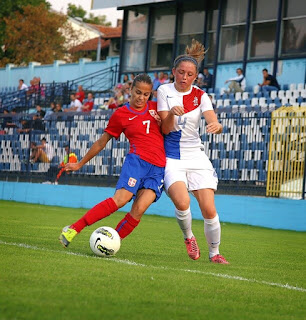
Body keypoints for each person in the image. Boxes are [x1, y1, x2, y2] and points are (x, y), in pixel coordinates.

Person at [59, 74, 166, 248]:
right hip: (137, 162)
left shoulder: (158, 108)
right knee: (120, 200)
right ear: (130, 90)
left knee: (139, 210)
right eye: (138, 92)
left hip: (158, 168)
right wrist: (80, 163)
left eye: (146, 94)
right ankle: (74, 228)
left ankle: (110, 243)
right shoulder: (121, 114)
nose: (141, 97)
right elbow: (102, 142)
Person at [157, 39, 229, 264]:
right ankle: (189, 237)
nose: (184, 78)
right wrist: (170, 114)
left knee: (208, 208)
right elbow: (165, 129)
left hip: (196, 156)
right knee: (182, 203)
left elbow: (213, 121)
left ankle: (214, 253)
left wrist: (217, 126)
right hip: (172, 157)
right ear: (174, 72)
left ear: (195, 76)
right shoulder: (163, 91)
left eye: (189, 74)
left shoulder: (201, 96)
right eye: (181, 73)